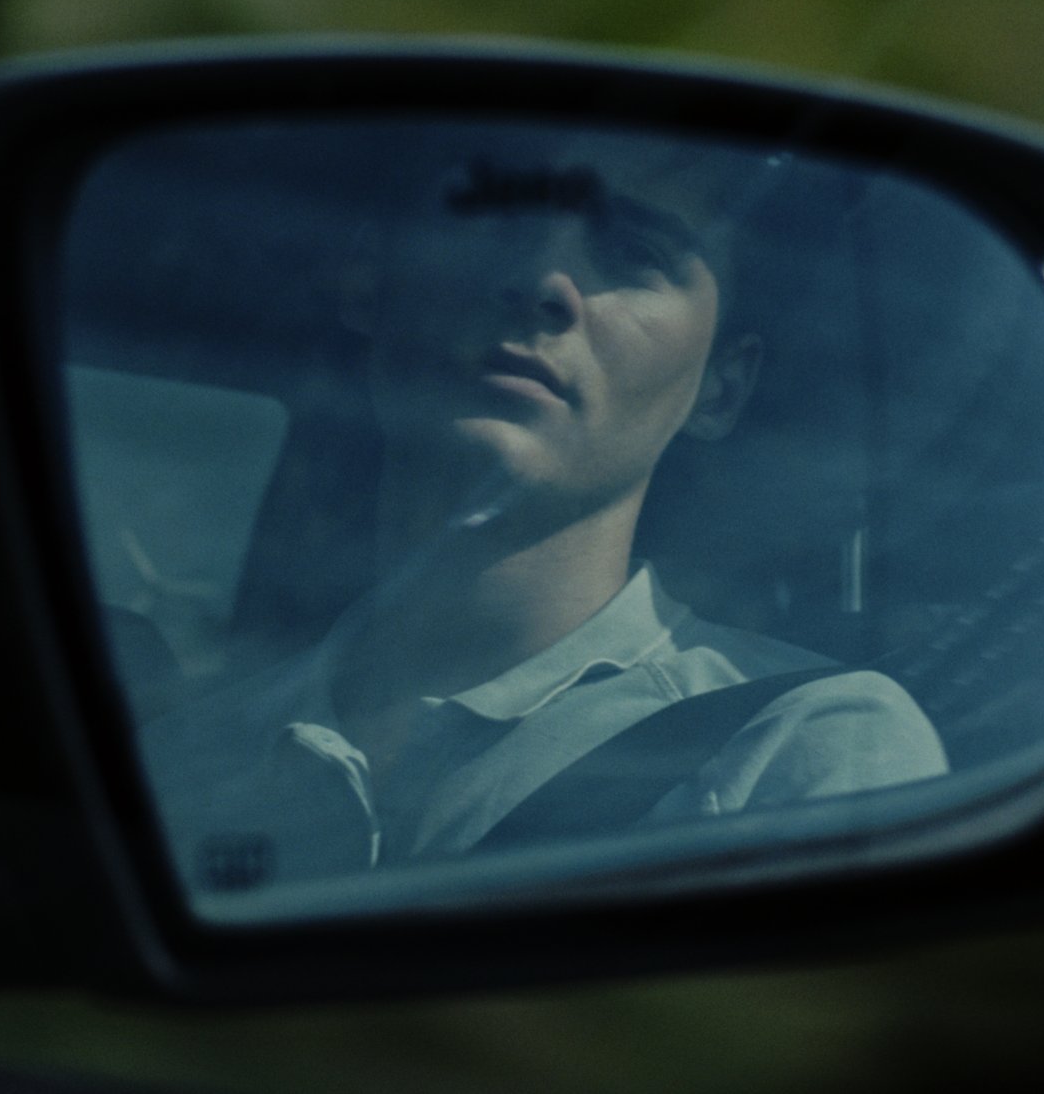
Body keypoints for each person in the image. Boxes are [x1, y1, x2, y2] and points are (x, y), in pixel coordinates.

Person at [144, 134, 948, 893]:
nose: (541, 281)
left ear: (720, 388)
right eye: (491, 218)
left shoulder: (809, 746)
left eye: (633, 255)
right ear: (367, 280)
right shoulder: (179, 765)